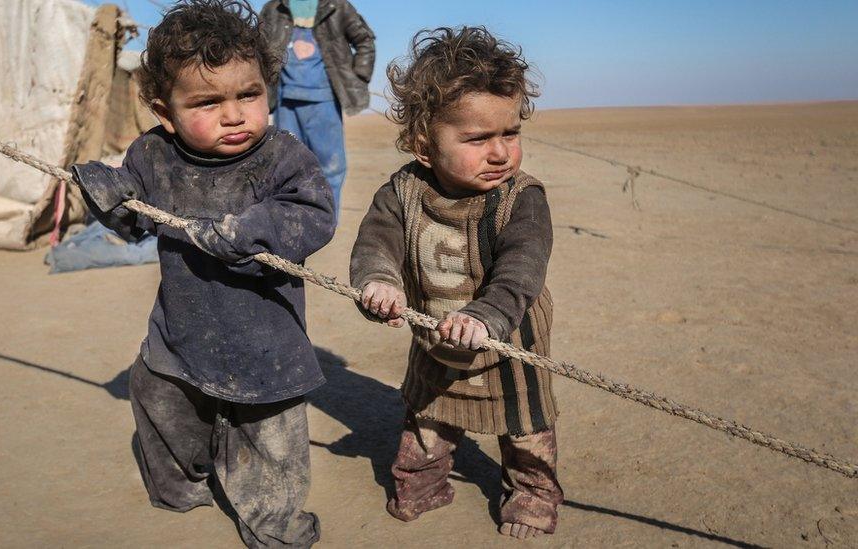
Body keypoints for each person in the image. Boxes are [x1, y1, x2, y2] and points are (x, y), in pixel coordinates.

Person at [70, 1, 334, 547]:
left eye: (248, 94)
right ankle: (181, 487)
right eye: (207, 102)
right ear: (165, 112)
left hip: (267, 344)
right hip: (180, 335)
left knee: (272, 447)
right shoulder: (153, 154)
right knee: (159, 404)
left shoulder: (285, 158)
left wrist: (249, 229)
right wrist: (107, 194)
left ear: (268, 88)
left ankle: (275, 526)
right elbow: (134, 223)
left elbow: (313, 216)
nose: (234, 114)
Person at [349, 27, 563, 540]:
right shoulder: (401, 193)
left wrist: (486, 317)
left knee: (526, 431)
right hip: (434, 344)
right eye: (477, 138)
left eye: (509, 133)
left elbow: (521, 269)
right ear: (424, 145)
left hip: (511, 344)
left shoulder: (522, 199)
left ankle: (531, 495)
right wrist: (379, 284)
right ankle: (424, 484)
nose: (500, 153)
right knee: (427, 421)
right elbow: (375, 247)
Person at [260, 0, 375, 222]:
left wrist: (358, 76)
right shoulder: (274, 9)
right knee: (285, 164)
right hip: (286, 102)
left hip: (325, 100)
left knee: (331, 166)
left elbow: (364, 40)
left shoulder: (337, 6)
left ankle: (326, 221)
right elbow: (257, 47)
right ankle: (292, 219)